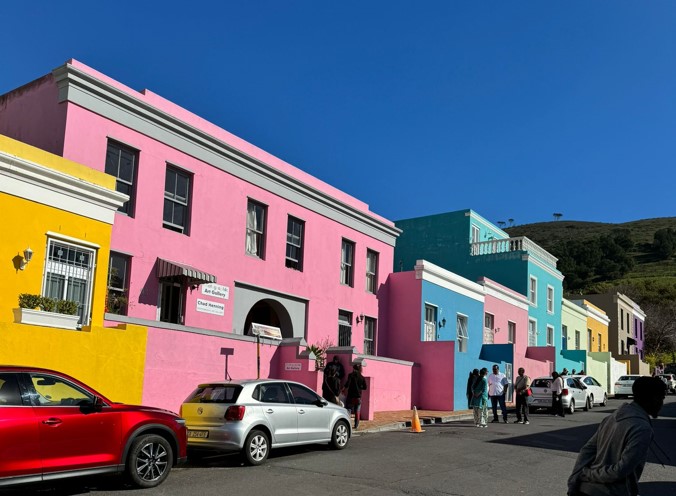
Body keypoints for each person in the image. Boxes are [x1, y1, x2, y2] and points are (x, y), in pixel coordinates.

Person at [567, 376, 667, 496]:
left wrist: (574, 482)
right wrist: (588, 474)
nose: (661, 403)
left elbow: (587, 451)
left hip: (585, 489)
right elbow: (621, 470)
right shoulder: (642, 428)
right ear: (654, 399)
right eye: (661, 398)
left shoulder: (612, 417)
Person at [344, 363, 367, 429]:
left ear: (353, 369)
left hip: (350, 395)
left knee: (348, 409)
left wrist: (343, 388)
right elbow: (365, 387)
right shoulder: (362, 377)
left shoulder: (350, 375)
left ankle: (347, 423)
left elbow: (347, 384)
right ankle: (356, 424)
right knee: (357, 411)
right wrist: (359, 387)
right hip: (358, 396)